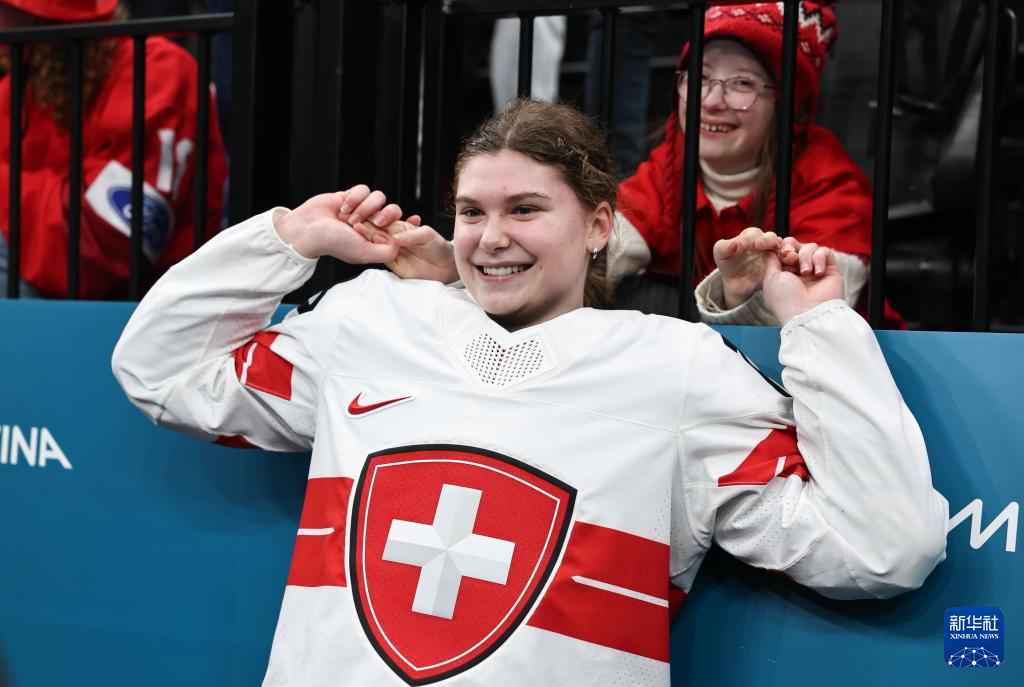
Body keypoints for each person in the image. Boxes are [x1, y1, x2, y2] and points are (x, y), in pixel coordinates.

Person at [112, 99, 947, 686]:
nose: (491, 237)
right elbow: (160, 369)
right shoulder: (370, 321)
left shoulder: (677, 370)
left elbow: (885, 545)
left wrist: (819, 326)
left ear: (598, 226)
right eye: (471, 212)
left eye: (524, 209)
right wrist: (289, 238)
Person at [609, 1, 904, 327]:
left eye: (743, 83)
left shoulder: (832, 190)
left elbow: (807, 326)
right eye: (701, 77)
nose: (710, 101)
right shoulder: (669, 165)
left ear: (789, 107)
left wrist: (736, 297)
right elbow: (601, 247)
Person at [0, 0, 228, 299]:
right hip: (51, 279)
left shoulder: (157, 71)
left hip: (149, 302)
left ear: (37, 15)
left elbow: (108, 243)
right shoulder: (17, 88)